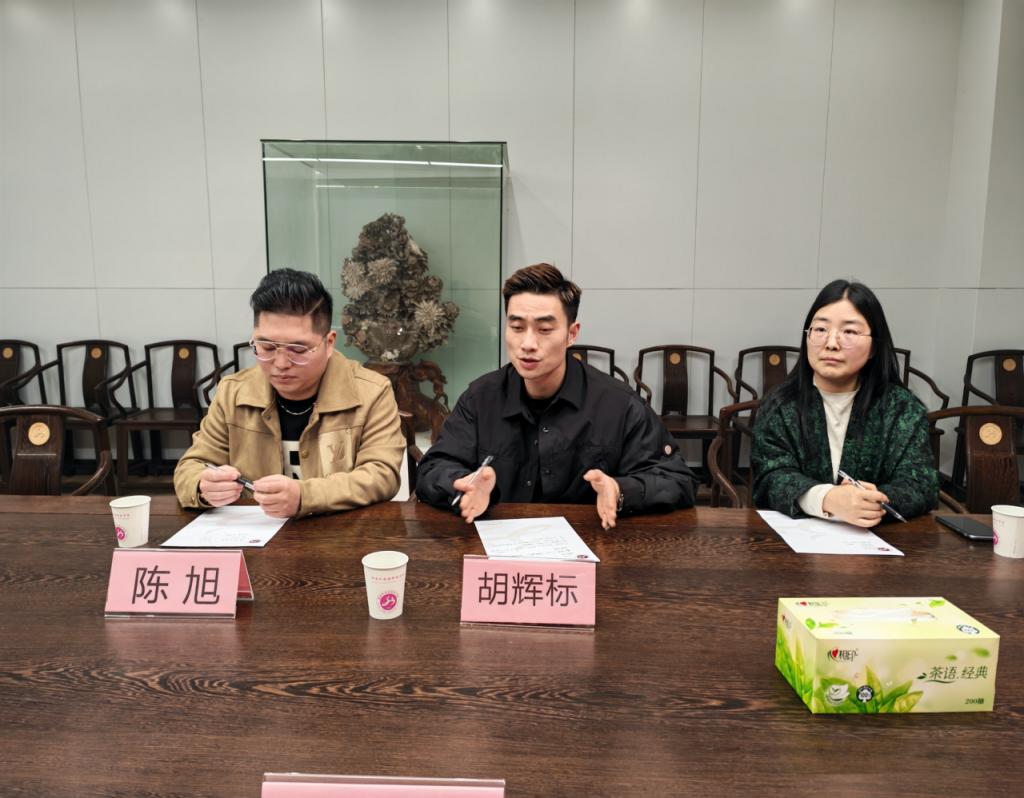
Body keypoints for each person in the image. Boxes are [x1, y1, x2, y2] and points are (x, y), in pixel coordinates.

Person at [415, 263, 696, 528]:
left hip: (590, 548)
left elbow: (677, 479)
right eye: (516, 327)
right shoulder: (481, 398)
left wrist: (620, 490)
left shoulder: (617, 403)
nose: (527, 344)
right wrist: (463, 484)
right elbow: (433, 468)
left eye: (545, 329)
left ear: (572, 334)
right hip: (497, 546)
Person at [173, 269, 405, 518]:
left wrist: (305, 496)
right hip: (254, 535)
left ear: (328, 343)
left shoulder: (371, 392)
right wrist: (203, 486)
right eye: (266, 347)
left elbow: (382, 475)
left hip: (340, 532)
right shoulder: (233, 393)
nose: (281, 363)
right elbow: (191, 467)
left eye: (298, 349)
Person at [751, 279, 938, 526]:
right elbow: (769, 478)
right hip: (793, 543)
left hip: (879, 541)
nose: (831, 343)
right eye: (820, 329)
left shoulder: (902, 409)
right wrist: (827, 498)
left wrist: (873, 500)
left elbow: (921, 484)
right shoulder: (780, 405)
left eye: (849, 332)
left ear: (874, 347)